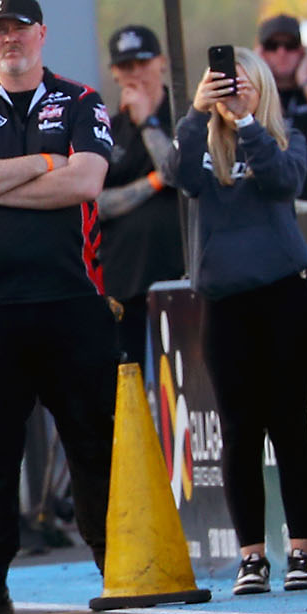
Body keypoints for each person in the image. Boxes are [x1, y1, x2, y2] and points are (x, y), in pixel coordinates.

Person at [0, 0, 116, 614]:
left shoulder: (82, 99)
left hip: (72, 298)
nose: (10, 39)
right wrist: (42, 164)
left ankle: (114, 565)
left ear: (42, 33)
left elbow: (87, 181)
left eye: (20, 29)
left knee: (92, 441)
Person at [174, 50, 307, 593]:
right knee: (239, 429)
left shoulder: (286, 140)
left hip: (283, 296)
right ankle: (252, 556)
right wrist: (197, 115)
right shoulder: (201, 144)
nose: (232, 92)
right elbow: (179, 176)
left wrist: (249, 122)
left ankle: (303, 551)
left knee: (289, 422)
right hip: (225, 302)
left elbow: (285, 181)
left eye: (241, 84)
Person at [96, 25, 184, 367]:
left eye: (142, 63)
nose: (135, 74)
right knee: (127, 378)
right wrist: (153, 183)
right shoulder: (106, 128)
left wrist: (148, 121)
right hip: (124, 277)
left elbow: (176, 173)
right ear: (115, 73)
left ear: (161, 62)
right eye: (126, 66)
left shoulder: (185, 118)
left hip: (178, 271)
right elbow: (96, 201)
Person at [257, 14, 307, 202]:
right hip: (274, 206)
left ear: (302, 52)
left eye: (290, 46)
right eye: (273, 46)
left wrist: (306, 81)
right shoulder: (253, 96)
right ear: (261, 52)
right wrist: (263, 78)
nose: (282, 53)